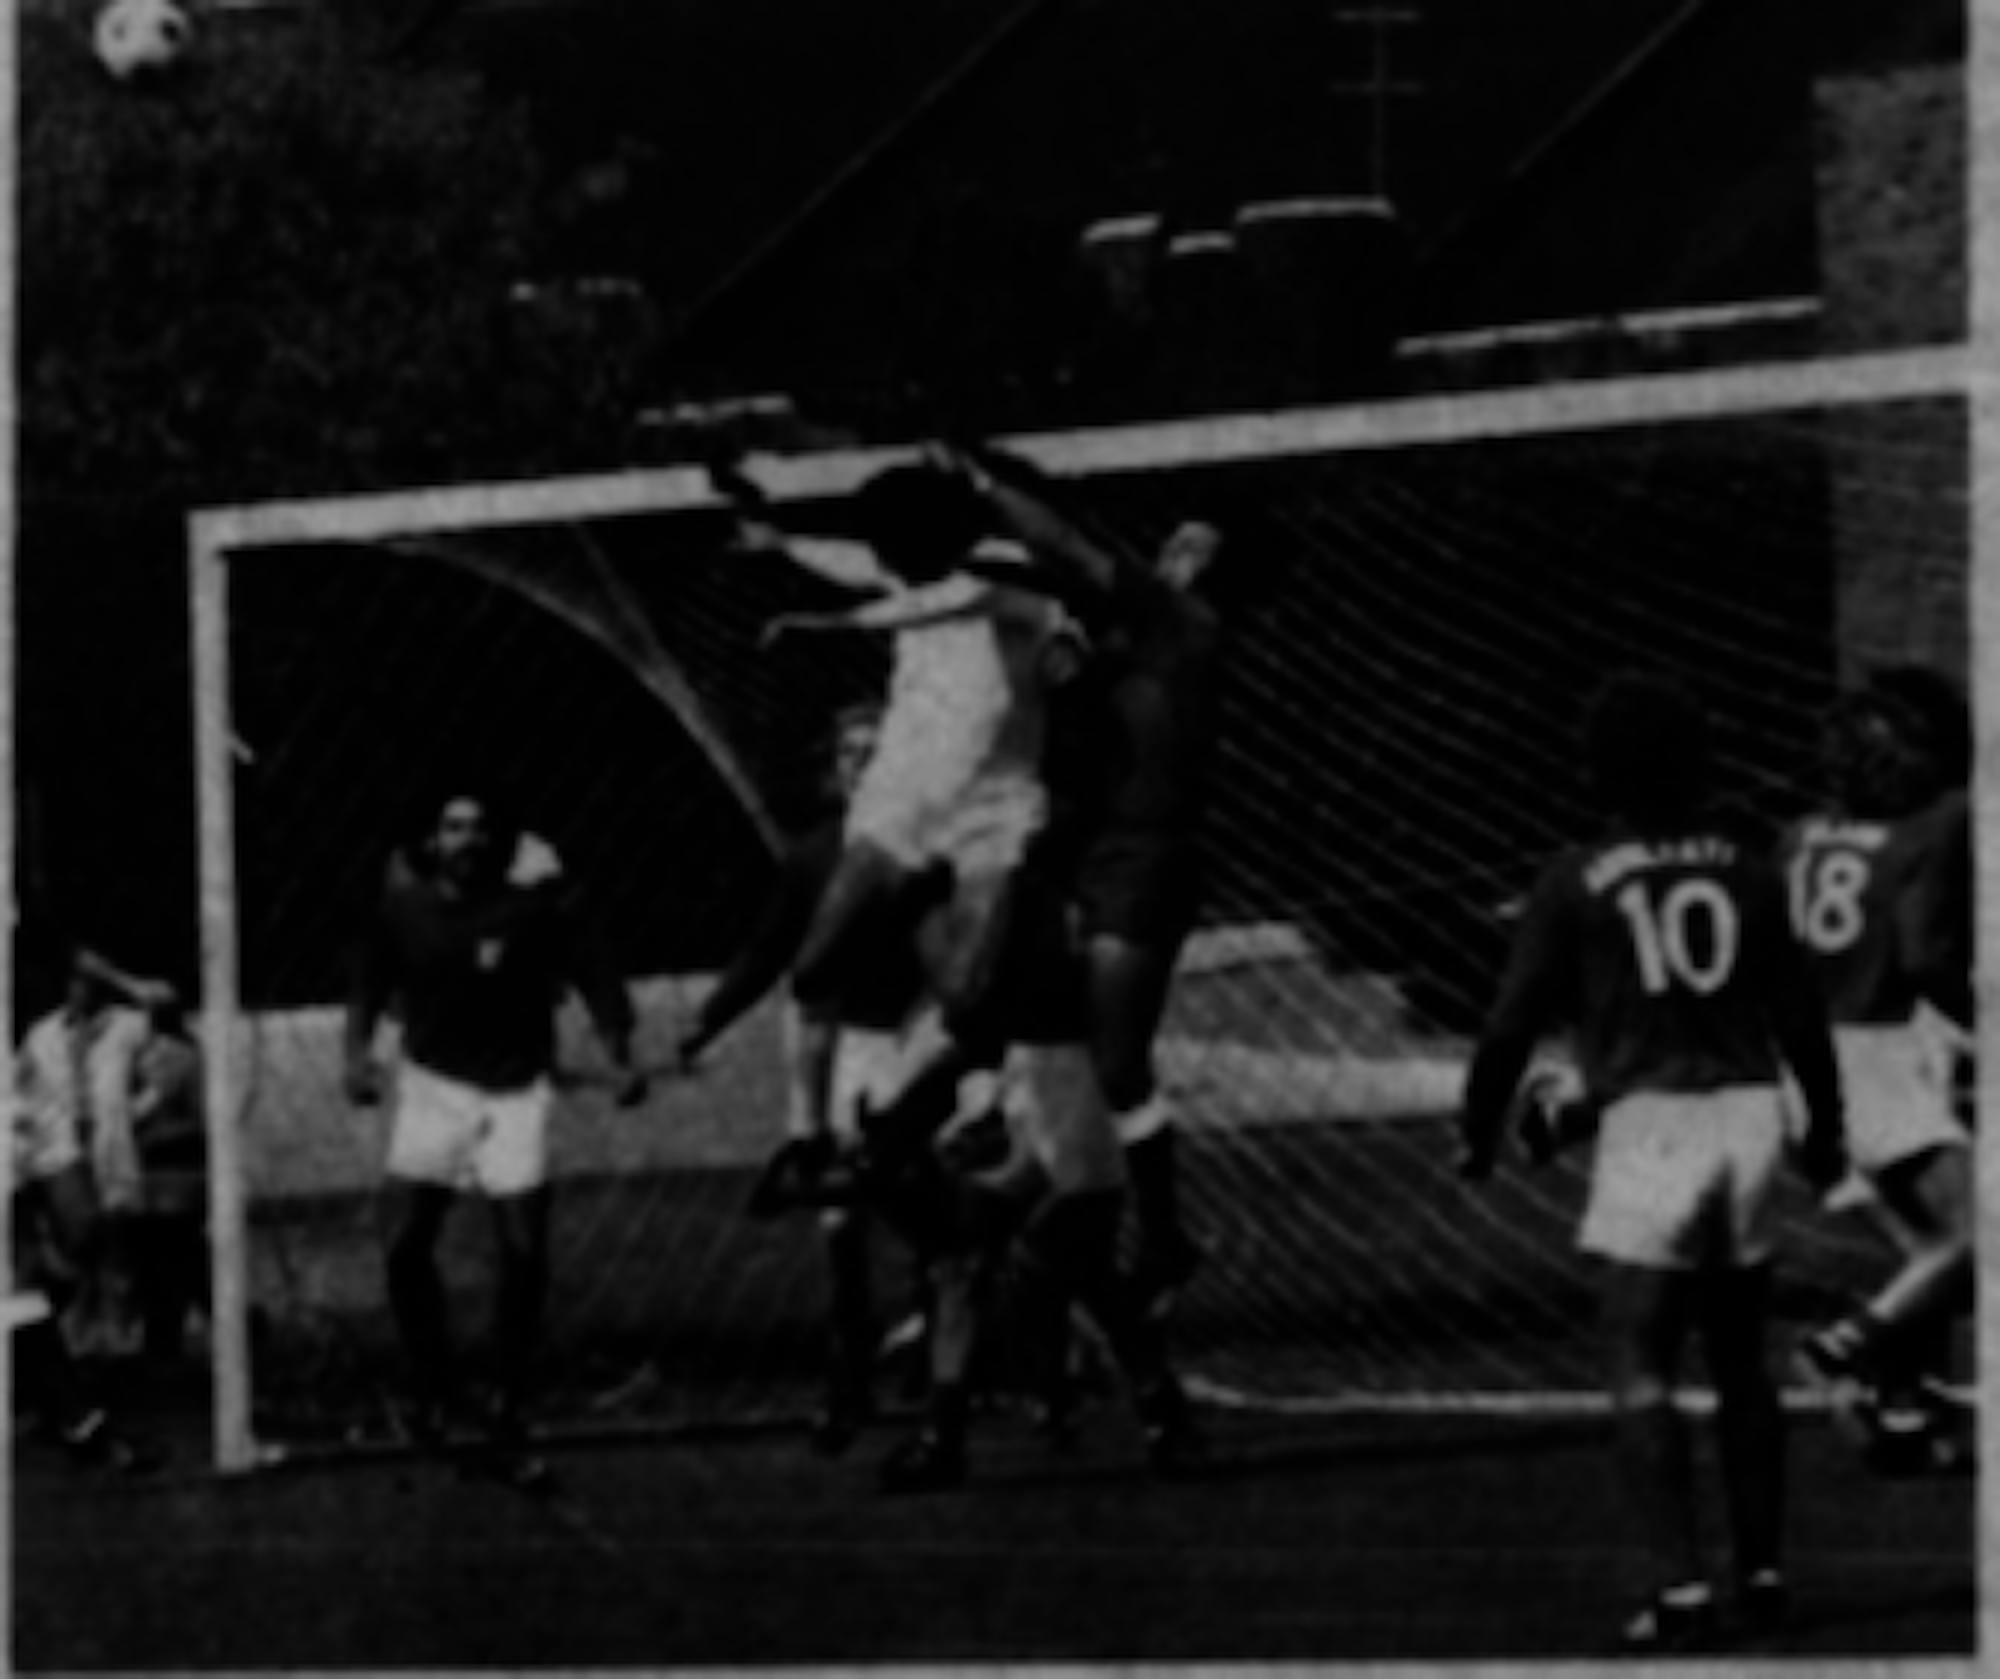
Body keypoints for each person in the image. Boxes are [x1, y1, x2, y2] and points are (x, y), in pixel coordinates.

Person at [1457, 672, 1847, 1654]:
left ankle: (1677, 1585)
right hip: (1747, 1111)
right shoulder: (1750, 867)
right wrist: (1826, 1124)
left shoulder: (1570, 876)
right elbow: (1798, 1014)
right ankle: (1762, 1572)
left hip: (1649, 1123)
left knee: (1637, 1363)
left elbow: (1508, 1024)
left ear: (1596, 770)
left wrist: (1476, 1124)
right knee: (1739, 1361)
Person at [941, 443, 1257, 1311]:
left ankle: (1159, 1232)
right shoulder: (1141, 639)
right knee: (1003, 1006)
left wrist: (977, 487)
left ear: (1215, 575)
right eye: (1176, 541)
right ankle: (998, 1134)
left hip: (1148, 858)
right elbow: (1050, 580)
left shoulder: (1185, 625)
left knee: (1118, 1058)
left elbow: (1070, 552)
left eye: (1195, 547)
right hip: (1099, 854)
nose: (1174, 552)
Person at [874, 852, 1204, 1493]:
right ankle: (944, 1436)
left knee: (1066, 1259)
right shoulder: (1005, 879)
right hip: (1032, 1080)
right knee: (964, 1257)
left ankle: (1159, 1407)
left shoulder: (1038, 881)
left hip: (1069, 1082)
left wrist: (926, 917)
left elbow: (971, 1001)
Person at [344, 788, 647, 1462]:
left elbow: (595, 970)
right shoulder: (404, 910)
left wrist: (619, 1054)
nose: (467, 839)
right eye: (453, 827)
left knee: (525, 1252)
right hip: (433, 1086)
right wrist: (355, 1055)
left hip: (516, 1089)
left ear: (498, 841)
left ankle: (510, 1393)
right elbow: (367, 981)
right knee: (404, 1246)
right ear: (432, 840)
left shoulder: (532, 909)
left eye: (480, 828)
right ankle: (431, 1381)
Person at [676, 705, 936, 1451]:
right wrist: (709, 1017)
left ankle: (939, 1348)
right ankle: (846, 1385)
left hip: (918, 1036)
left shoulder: (932, 848)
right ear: (835, 768)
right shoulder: (814, 857)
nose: (865, 763)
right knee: (841, 1220)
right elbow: (767, 950)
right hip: (845, 1042)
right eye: (852, 751)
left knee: (929, 1198)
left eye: (880, 750)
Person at [1778, 668, 1974, 1466]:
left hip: (1797, 1064)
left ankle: (1900, 1413)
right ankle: (1841, 1352)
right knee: (1975, 1240)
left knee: (1927, 1255)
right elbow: (1924, 954)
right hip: (1873, 1058)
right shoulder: (1935, 824)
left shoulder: (1797, 835)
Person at [14, 943, 168, 1358]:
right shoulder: (42, 1034)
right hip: (62, 1150)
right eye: (76, 980)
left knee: (115, 1246)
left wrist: (126, 1117)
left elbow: (155, 1080)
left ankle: (119, 1340)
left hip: (109, 1146)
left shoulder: (128, 1026)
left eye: (91, 983)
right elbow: (22, 1090)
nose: (81, 990)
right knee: (76, 1245)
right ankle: (75, 1337)